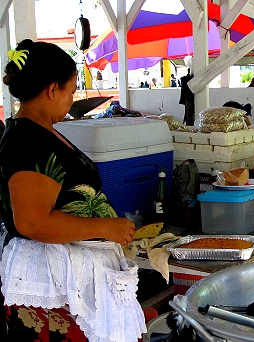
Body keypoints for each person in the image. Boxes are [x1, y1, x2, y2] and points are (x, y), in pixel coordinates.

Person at [0, 39, 145, 341]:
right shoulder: (28, 140)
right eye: (71, 89)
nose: (72, 98)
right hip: (52, 286)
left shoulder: (43, 132)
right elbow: (32, 222)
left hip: (71, 278)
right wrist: (105, 227)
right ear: (52, 89)